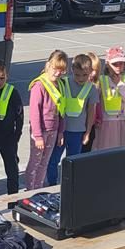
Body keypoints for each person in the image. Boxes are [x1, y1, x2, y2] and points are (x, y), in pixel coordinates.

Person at [46, 54, 97, 186]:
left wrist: (87, 132)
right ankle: (52, 184)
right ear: (72, 70)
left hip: (78, 132)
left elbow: (91, 112)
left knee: (72, 161)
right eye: (77, 75)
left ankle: (69, 186)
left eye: (84, 75)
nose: (80, 78)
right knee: (53, 159)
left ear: (90, 72)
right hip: (61, 131)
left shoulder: (91, 89)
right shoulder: (64, 83)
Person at [25, 51, 68, 190]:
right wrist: (37, 136)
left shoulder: (60, 85)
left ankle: (39, 188)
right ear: (48, 65)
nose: (57, 73)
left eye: (61, 70)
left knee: (45, 162)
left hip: (53, 130)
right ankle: (30, 190)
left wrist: (61, 131)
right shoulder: (39, 86)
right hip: (41, 131)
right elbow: (34, 112)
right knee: (35, 162)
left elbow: (62, 110)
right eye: (55, 69)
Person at [0, 60, 23, 196]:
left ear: (7, 76)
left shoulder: (12, 92)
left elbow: (20, 115)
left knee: (11, 168)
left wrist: (17, 135)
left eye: (2, 78)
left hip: (8, 137)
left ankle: (13, 195)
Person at [94, 46, 125, 151]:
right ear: (107, 65)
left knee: (119, 148)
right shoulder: (102, 79)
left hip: (119, 121)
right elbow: (96, 100)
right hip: (105, 122)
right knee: (103, 148)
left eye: (121, 63)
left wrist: (119, 84)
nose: (118, 66)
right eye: (115, 64)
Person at [80, 52, 102, 154]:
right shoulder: (79, 85)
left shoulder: (96, 86)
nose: (93, 74)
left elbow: (97, 106)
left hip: (91, 125)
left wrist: (98, 118)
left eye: (96, 71)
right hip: (79, 125)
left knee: (87, 151)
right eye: (91, 70)